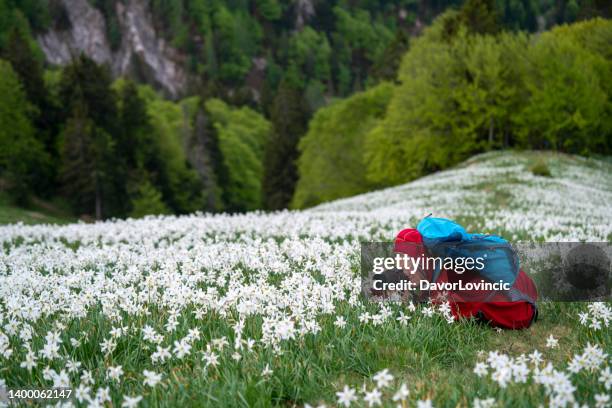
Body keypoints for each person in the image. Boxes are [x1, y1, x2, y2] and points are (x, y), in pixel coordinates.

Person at [394, 228, 538, 329]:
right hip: (519, 284)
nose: (403, 269)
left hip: (521, 307)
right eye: (398, 259)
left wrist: (410, 304)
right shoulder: (438, 265)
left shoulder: (445, 274)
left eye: (407, 260)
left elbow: (444, 312)